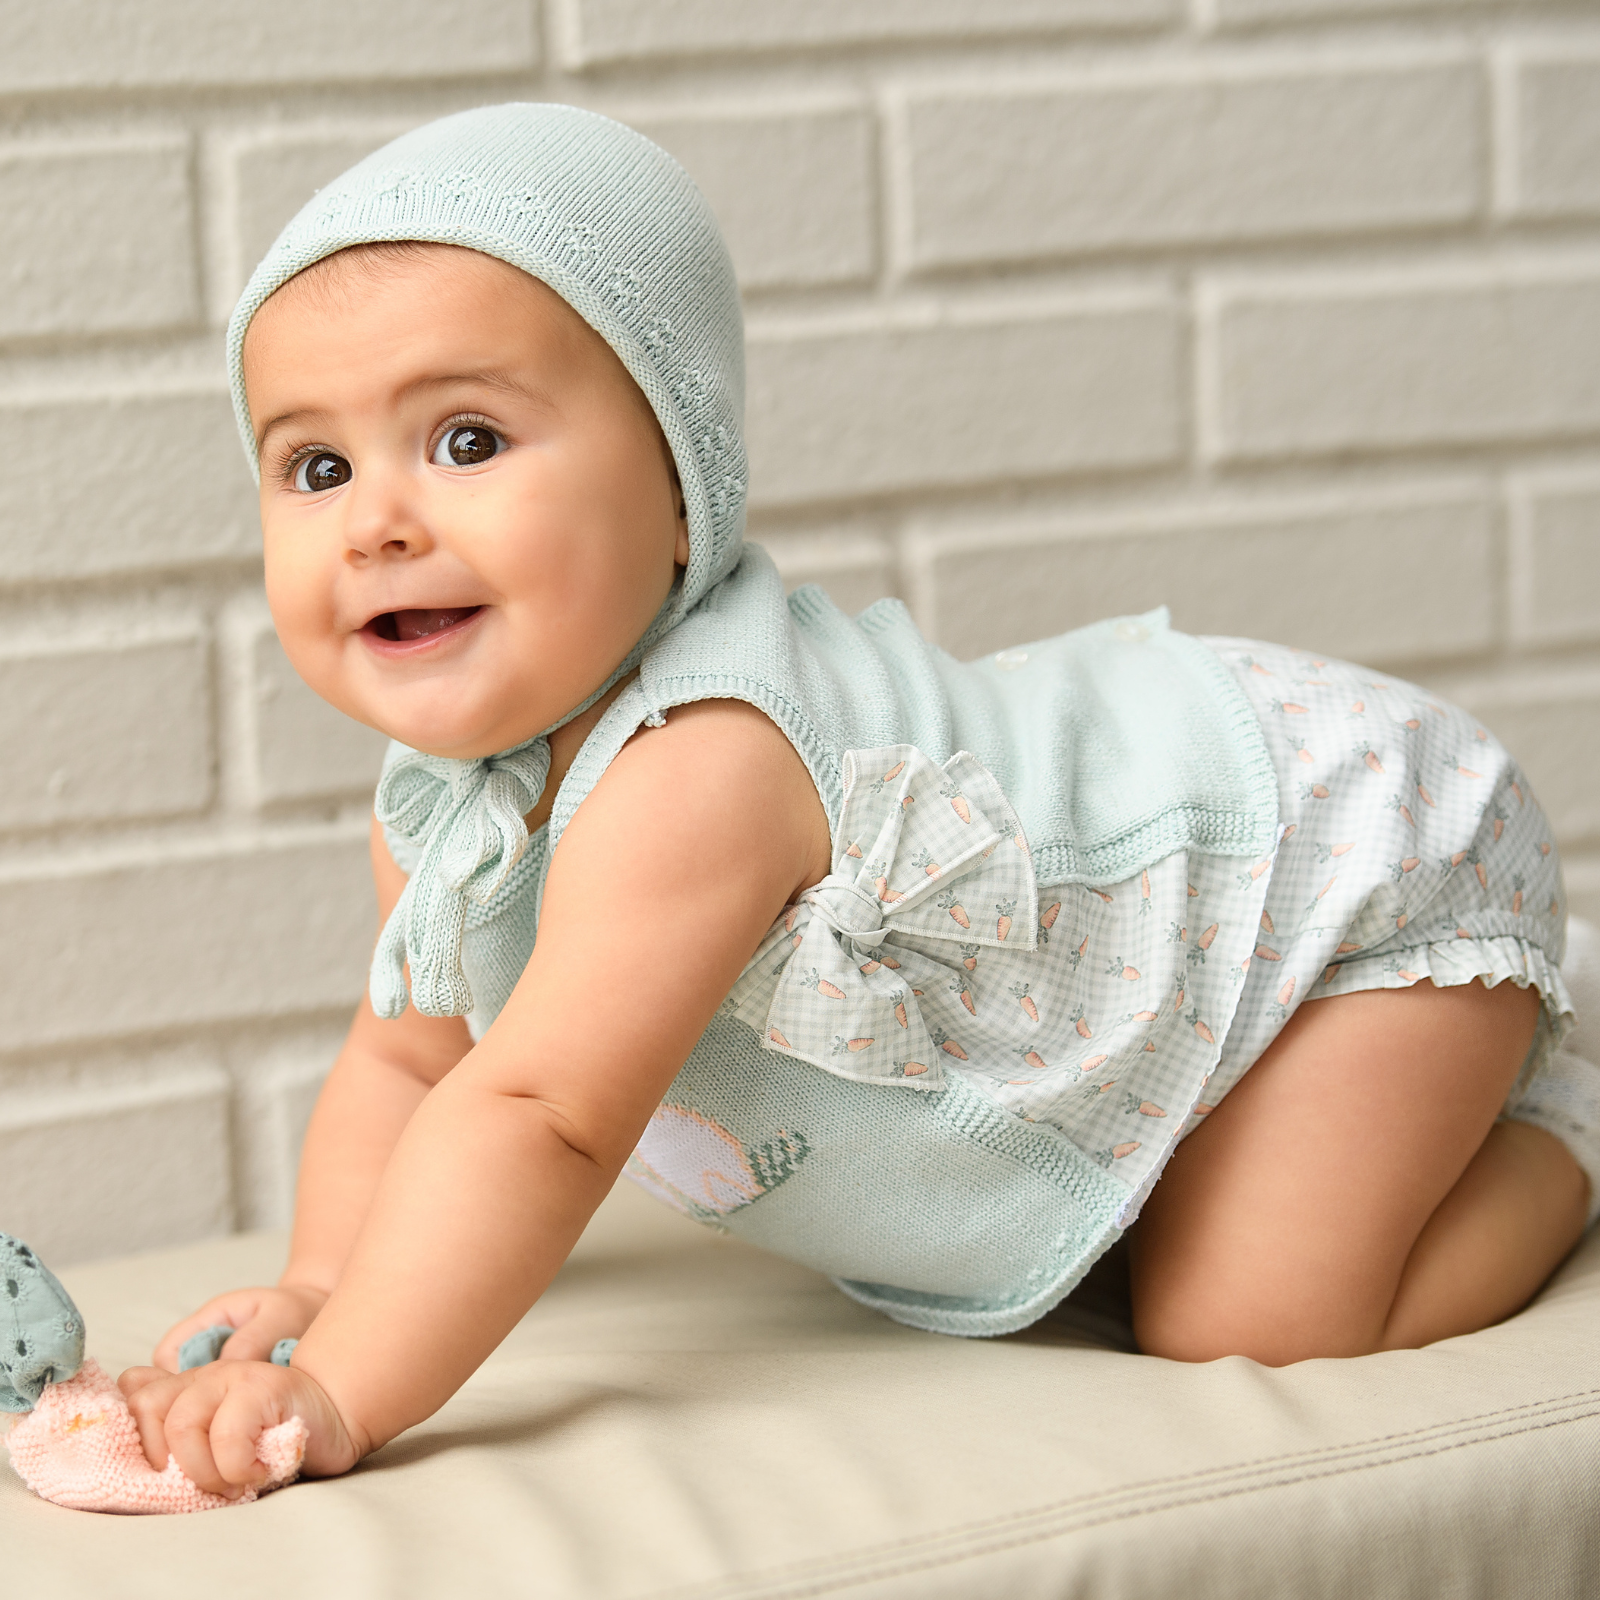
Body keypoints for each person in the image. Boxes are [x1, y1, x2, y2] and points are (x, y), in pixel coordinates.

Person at [115, 104, 1599, 1499]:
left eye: (467, 441)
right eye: (314, 466)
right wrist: (323, 1286)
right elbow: (413, 1063)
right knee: (1182, 1252)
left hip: (1338, 862)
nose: (377, 521)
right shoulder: (441, 811)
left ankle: (1571, 1119)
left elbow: (539, 1114)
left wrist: (347, 1393)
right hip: (1233, 884)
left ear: (683, 490)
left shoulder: (705, 760)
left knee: (1248, 1313)